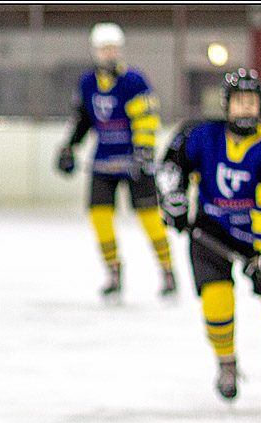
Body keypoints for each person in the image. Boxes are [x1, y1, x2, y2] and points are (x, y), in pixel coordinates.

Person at [156, 68, 261, 404]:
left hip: (258, 239)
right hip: (210, 234)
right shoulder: (201, 135)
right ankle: (226, 364)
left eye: (252, 102)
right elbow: (171, 169)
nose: (246, 109)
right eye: (239, 102)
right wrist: (174, 200)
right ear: (226, 105)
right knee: (217, 301)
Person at [55, 22, 177, 299]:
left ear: (119, 50)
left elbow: (145, 119)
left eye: (112, 49)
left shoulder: (134, 80)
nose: (108, 54)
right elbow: (83, 119)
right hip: (103, 162)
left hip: (135, 162)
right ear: (95, 52)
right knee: (99, 216)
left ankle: (167, 271)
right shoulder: (87, 83)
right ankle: (113, 271)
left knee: (149, 217)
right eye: (103, 49)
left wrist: (144, 152)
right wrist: (69, 147)